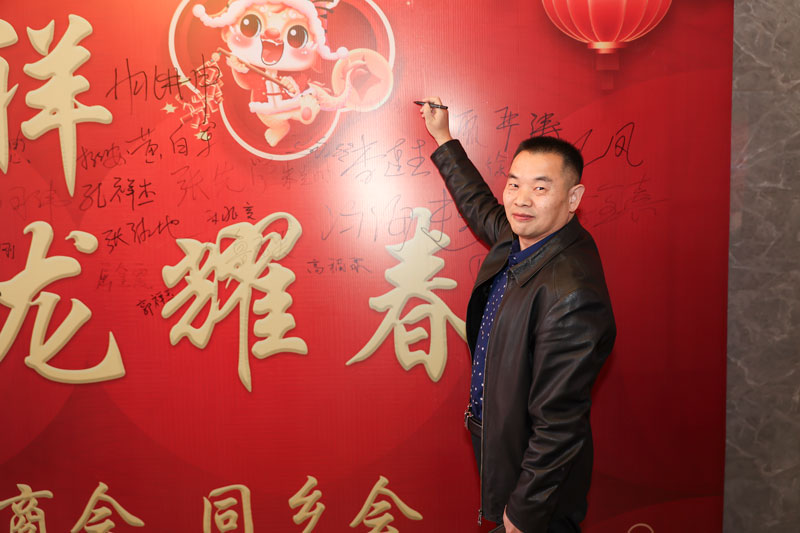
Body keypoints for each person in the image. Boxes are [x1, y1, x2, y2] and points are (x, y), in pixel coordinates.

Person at [418, 97, 616, 533]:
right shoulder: (526, 240)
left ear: (573, 198)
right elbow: (479, 206)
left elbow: (558, 424)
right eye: (514, 184)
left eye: (541, 188)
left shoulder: (572, 294)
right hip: (506, 445)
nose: (521, 200)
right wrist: (444, 138)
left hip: (536, 486)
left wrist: (523, 514)